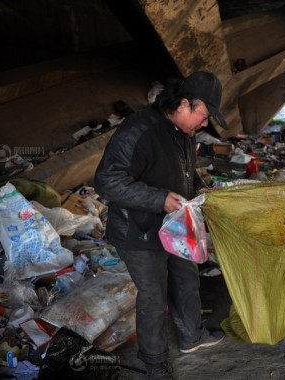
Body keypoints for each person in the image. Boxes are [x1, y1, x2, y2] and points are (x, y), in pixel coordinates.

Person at [94, 71, 229, 380]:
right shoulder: (138, 131)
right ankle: (155, 363)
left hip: (175, 225)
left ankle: (191, 336)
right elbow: (107, 181)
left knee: (186, 278)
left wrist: (198, 189)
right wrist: (159, 199)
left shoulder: (185, 131)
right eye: (204, 115)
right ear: (184, 104)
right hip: (138, 231)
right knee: (153, 297)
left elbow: (185, 171)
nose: (205, 123)